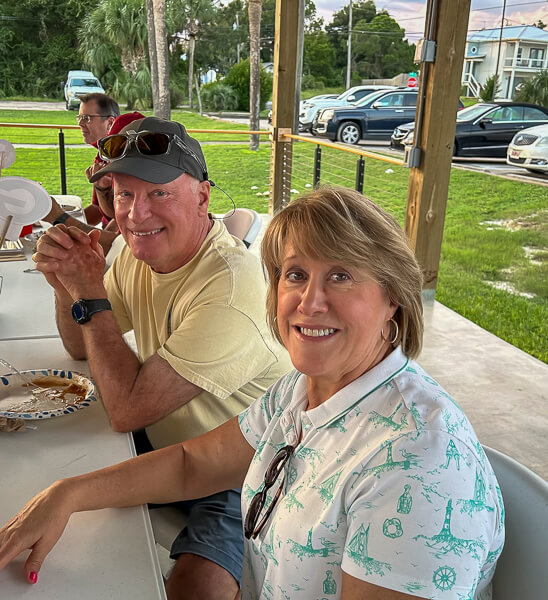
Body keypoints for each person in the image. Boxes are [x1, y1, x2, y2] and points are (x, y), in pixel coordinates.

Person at [0, 187, 504, 600]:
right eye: (296, 274)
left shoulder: (418, 464)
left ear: (393, 297)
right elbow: (192, 464)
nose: (310, 301)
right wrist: (66, 493)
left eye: (342, 276)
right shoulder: (302, 392)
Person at [28, 116, 291, 600]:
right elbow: (80, 345)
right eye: (123, 194)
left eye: (158, 193)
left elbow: (128, 408)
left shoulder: (231, 286)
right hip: (166, 446)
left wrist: (89, 292)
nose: (134, 214)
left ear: (203, 198)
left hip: (243, 471)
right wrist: (67, 288)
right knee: (35, 479)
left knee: (197, 590)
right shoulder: (137, 253)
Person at [43, 93, 121, 253]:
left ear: (110, 123)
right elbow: (97, 210)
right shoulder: (101, 158)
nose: (81, 124)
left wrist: (59, 218)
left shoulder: (125, 164)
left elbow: (115, 244)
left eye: (87, 118)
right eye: (79, 118)